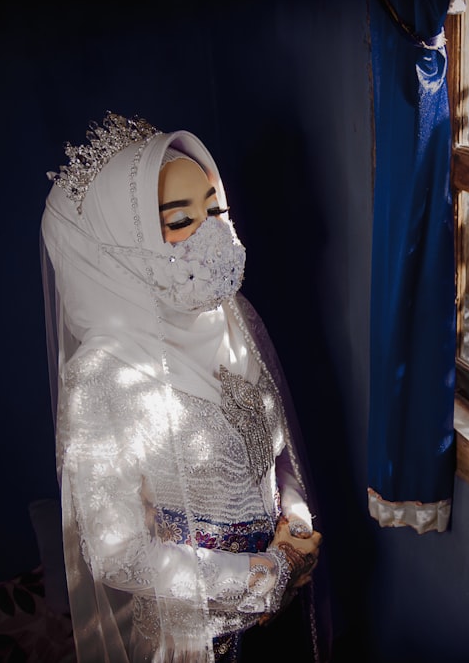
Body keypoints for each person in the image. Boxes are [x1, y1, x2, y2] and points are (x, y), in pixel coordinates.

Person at [40, 113, 326, 662]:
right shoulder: (102, 376)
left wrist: (297, 525)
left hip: (286, 604)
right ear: (120, 245)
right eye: (180, 220)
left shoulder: (233, 318)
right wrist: (265, 575)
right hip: (197, 639)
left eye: (215, 209)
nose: (212, 232)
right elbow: (117, 552)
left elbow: (277, 448)